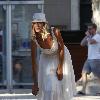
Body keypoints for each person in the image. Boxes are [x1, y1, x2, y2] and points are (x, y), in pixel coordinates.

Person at [31, 13, 76, 100]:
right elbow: (33, 62)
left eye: (39, 22)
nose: (37, 25)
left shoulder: (55, 31)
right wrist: (35, 83)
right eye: (35, 23)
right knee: (49, 87)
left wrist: (60, 67)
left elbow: (61, 49)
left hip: (61, 57)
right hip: (46, 59)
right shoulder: (33, 39)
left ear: (44, 24)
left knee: (60, 86)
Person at [78, 23, 100, 95]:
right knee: (84, 72)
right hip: (89, 59)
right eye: (88, 29)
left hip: (96, 59)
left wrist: (88, 36)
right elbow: (82, 44)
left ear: (95, 29)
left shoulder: (97, 36)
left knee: (98, 75)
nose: (89, 30)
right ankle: (83, 90)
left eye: (90, 29)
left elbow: (91, 42)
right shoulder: (89, 37)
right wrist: (87, 36)